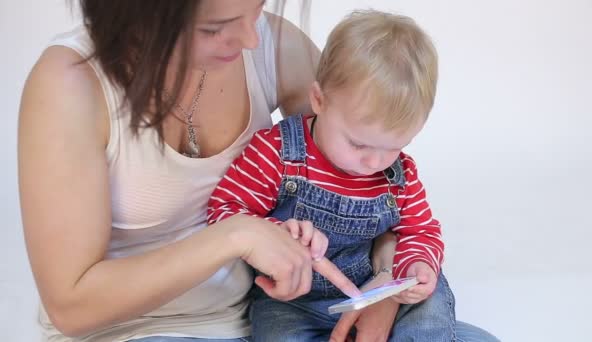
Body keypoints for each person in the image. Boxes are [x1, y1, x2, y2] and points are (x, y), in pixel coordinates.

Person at [17, 1, 499, 341]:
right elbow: (70, 307)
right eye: (216, 26)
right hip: (143, 329)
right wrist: (237, 236)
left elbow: (370, 188)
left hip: (263, 315)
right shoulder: (71, 87)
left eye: (257, 8)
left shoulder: (273, 45)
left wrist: (386, 288)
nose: (251, 37)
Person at [207, 10, 455, 341]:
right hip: (296, 300)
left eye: (395, 146)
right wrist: (275, 234)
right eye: (358, 143)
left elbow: (421, 231)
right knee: (277, 331)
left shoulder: (399, 175)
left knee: (432, 301)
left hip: (374, 291)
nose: (373, 161)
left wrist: (415, 268)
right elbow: (223, 211)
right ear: (319, 100)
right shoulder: (277, 151)